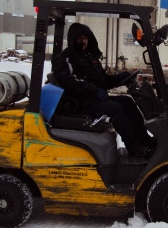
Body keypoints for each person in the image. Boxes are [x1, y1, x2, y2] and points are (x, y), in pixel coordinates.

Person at [51, 23, 156, 158]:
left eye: (85, 38)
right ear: (72, 39)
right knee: (114, 108)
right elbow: (70, 82)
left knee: (127, 101)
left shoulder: (88, 58)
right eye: (79, 38)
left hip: (93, 99)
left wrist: (121, 77)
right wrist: (94, 91)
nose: (83, 41)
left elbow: (103, 80)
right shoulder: (65, 58)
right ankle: (134, 148)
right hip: (78, 103)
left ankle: (145, 139)